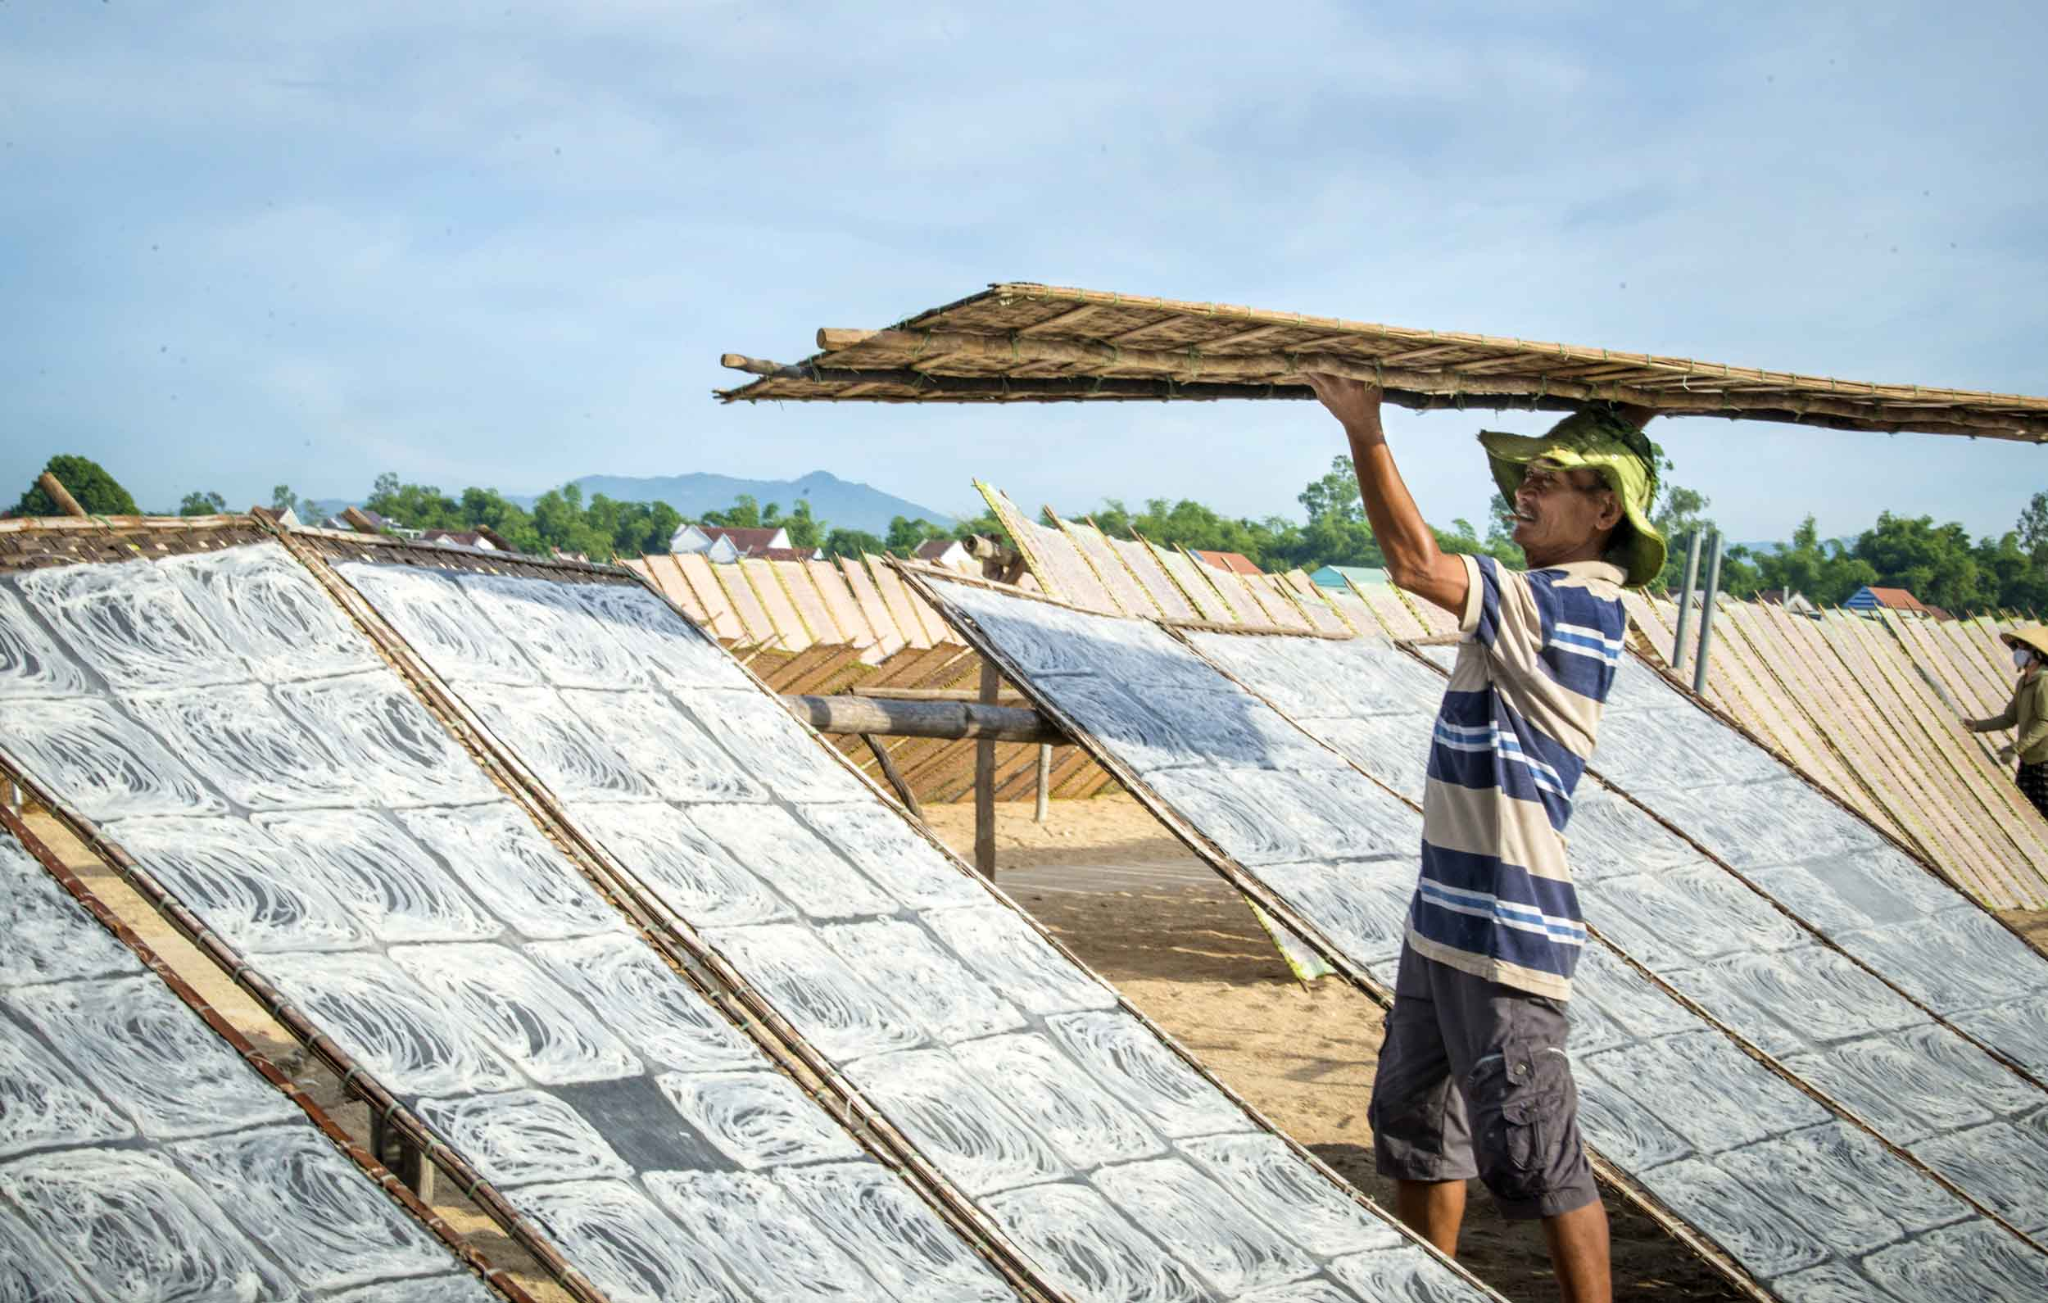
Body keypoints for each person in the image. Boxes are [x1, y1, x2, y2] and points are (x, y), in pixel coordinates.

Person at [1304, 374, 1667, 1303]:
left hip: (1506, 927)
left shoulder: (1572, 604)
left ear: (1603, 511)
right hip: (1445, 919)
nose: (1524, 492)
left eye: (1550, 480)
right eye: (1526, 476)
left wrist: (1364, 428)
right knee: (1420, 1128)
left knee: (1537, 1150)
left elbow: (1418, 565)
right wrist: (1624, 421)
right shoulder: (1547, 589)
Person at [1965, 626, 2048, 819]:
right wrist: (1977, 726)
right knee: (2026, 811)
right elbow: (2010, 718)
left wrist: (2016, 748)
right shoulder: (2024, 682)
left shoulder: (2044, 682)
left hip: (2044, 758)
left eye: (2023, 648)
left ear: (2036, 654)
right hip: (2029, 758)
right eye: (2017, 647)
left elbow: (2045, 722)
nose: (2018, 652)